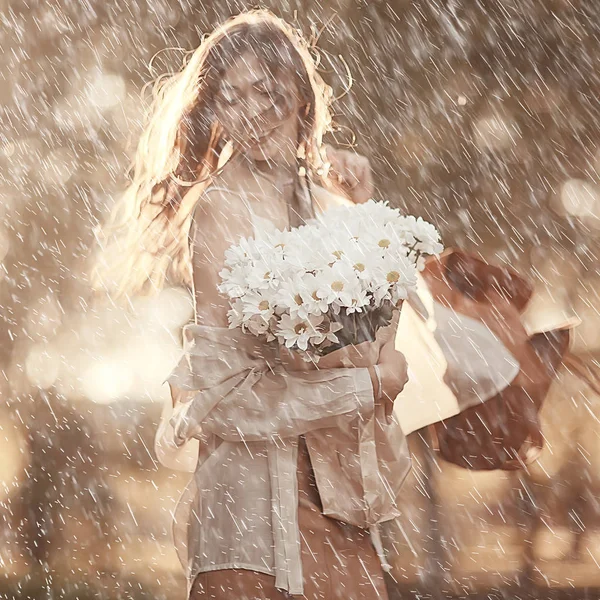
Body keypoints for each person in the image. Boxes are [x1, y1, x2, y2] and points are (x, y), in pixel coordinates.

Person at [92, 9, 410, 600]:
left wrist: (363, 212)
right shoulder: (220, 212)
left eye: (267, 90)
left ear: (301, 95)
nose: (253, 110)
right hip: (256, 519)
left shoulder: (327, 201)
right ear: (214, 111)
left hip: (340, 505)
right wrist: (366, 387)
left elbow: (370, 339)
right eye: (231, 97)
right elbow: (225, 399)